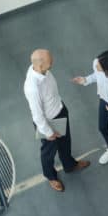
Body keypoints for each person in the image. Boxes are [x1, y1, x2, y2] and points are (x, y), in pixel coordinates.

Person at [23, 48, 89, 192]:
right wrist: (48, 132)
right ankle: (51, 176)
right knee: (48, 152)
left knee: (65, 142)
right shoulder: (32, 87)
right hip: (48, 123)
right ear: (40, 66)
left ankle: (69, 165)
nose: (52, 63)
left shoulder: (43, 71)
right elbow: (37, 115)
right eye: (49, 62)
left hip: (59, 110)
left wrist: (61, 109)